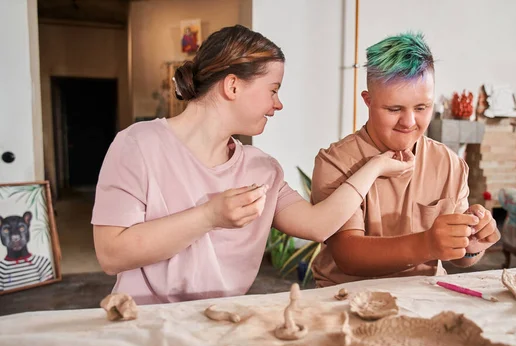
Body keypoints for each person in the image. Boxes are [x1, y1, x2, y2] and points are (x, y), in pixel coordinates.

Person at [92, 25, 413, 305]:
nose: (278, 104)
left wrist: (375, 167)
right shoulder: (138, 144)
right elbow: (111, 254)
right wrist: (209, 216)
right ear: (232, 86)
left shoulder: (262, 169)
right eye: (273, 90)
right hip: (140, 324)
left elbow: (318, 225)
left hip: (218, 324)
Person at [310, 32, 501, 287]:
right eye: (394, 109)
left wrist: (473, 243)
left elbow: (462, 258)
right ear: (368, 101)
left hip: (426, 297)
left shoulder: (449, 163)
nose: (409, 122)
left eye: (422, 108)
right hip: (346, 301)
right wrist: (427, 243)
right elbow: (348, 256)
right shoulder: (336, 162)